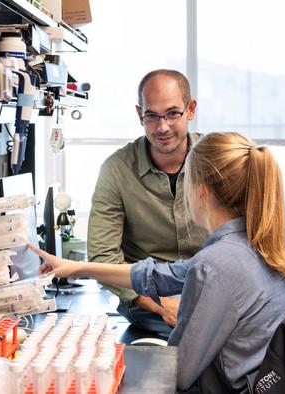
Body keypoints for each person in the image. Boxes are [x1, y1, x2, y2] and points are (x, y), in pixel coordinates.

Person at [33, 132, 285, 392]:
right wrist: (79, 268)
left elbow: (180, 374)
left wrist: (103, 359)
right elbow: (162, 275)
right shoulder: (253, 243)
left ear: (202, 191)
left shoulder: (214, 265)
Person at [87, 69, 209, 337]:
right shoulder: (116, 170)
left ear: (191, 109)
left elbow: (247, 239)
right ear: (139, 114)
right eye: (151, 116)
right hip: (147, 299)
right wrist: (157, 303)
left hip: (213, 293)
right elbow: (102, 256)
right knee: (187, 343)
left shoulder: (218, 162)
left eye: (172, 113)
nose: (162, 127)